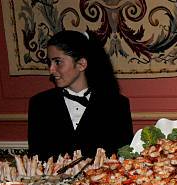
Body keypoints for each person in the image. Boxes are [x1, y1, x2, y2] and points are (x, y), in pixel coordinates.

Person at [27, 30, 133, 160]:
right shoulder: (40, 104)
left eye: (58, 62)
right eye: (50, 62)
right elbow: (36, 156)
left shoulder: (117, 104)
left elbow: (123, 155)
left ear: (81, 64)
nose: (51, 70)